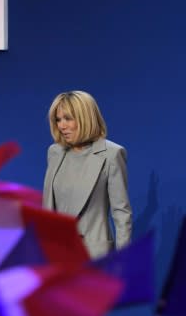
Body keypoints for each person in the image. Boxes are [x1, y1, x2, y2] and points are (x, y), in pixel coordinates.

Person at [42, 91, 132, 259]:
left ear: (85, 118)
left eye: (68, 118)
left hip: (93, 256)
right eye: (58, 120)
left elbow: (121, 213)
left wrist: (123, 262)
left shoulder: (111, 154)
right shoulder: (54, 152)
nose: (62, 126)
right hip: (57, 254)